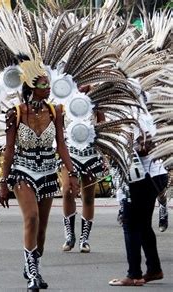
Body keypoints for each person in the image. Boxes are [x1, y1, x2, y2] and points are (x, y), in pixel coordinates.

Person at [0, 69, 80, 290]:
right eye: (44, 85)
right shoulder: (15, 113)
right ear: (31, 87)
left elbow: (61, 146)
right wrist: (3, 182)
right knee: (32, 218)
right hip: (22, 171)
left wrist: (72, 173)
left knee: (42, 229)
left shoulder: (56, 112)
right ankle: (32, 273)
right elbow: (8, 151)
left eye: (48, 84)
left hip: (47, 172)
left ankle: (34, 263)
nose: (48, 88)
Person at [109, 137, 167, 287]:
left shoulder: (135, 116)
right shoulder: (143, 114)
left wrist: (125, 147)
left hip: (144, 175)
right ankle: (154, 269)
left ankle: (134, 274)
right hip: (153, 173)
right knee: (143, 225)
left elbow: (146, 146)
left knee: (131, 224)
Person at [60, 85, 106, 253]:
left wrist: (104, 154)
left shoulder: (95, 99)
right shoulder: (63, 95)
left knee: (88, 197)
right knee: (67, 191)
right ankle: (69, 234)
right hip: (70, 151)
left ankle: (84, 238)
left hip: (90, 153)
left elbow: (103, 126)